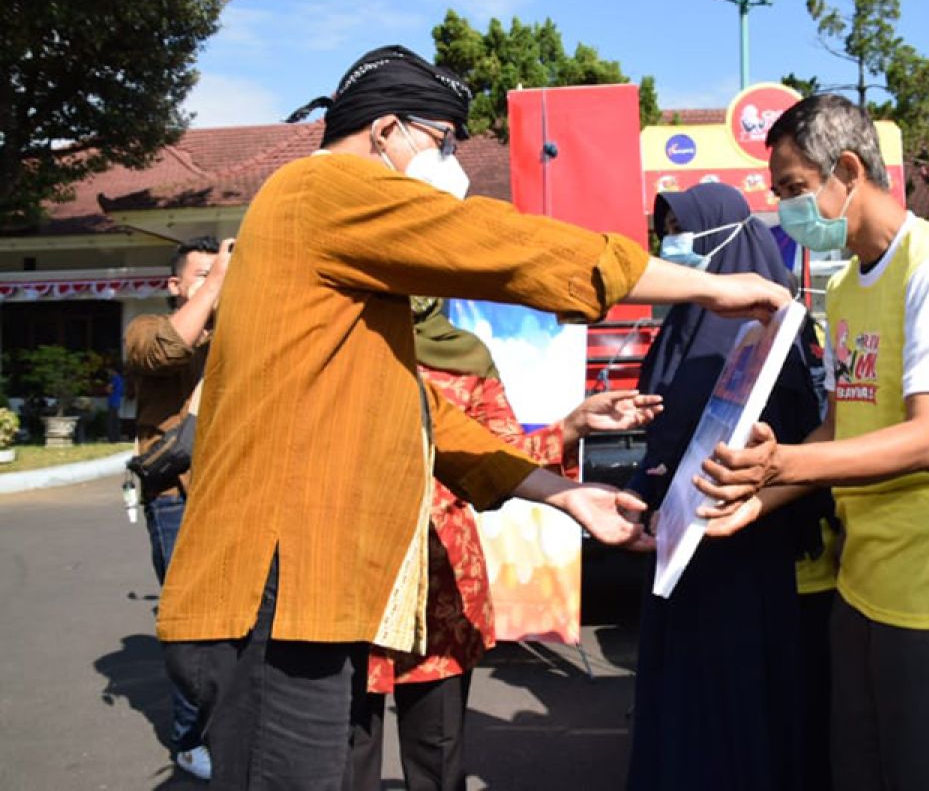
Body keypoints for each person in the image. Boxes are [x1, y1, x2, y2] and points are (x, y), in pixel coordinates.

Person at [155, 45, 789, 790]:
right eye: (444, 140)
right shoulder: (324, 187)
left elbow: (420, 418)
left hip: (301, 594)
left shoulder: (340, 258)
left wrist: (561, 493)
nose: (451, 161)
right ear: (386, 130)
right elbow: (508, 247)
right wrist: (703, 288)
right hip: (276, 587)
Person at [696, 94, 929, 790]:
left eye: (793, 188)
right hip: (866, 575)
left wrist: (784, 460)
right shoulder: (847, 289)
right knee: (858, 767)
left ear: (847, 169)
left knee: (925, 770)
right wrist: (761, 497)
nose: (787, 208)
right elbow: (843, 427)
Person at [343, 296, 663, 791]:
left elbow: (503, 456)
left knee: (437, 756)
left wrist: (573, 426)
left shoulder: (464, 355)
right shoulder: (337, 341)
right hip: (345, 581)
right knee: (344, 755)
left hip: (440, 587)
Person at [624, 182, 835, 790]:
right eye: (666, 233)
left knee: (729, 705)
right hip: (684, 545)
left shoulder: (762, 327)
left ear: (725, 236)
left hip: (737, 546)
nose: (673, 245)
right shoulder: (693, 318)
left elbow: (786, 431)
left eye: (684, 231)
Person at [124, 234, 232, 781]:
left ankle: (230, 727)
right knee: (192, 625)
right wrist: (216, 285)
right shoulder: (147, 328)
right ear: (174, 284)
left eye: (224, 269)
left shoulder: (237, 332)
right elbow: (165, 350)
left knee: (242, 623)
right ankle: (190, 737)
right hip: (177, 497)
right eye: (202, 271)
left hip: (235, 495)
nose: (219, 277)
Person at [105, 363, 124, 443]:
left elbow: (108, 389)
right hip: (117, 401)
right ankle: (116, 438)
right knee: (115, 421)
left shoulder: (115, 379)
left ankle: (112, 438)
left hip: (113, 401)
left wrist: (109, 390)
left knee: (111, 421)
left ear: (113, 371)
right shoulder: (120, 379)